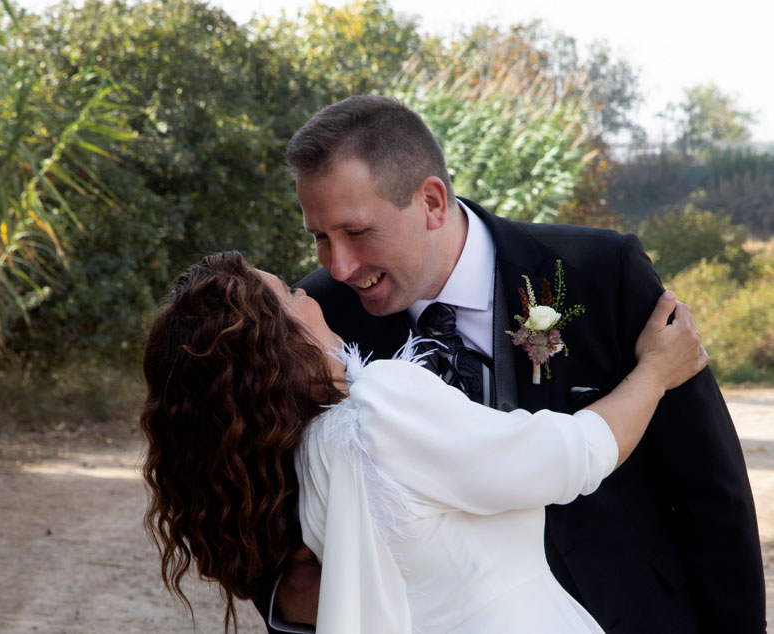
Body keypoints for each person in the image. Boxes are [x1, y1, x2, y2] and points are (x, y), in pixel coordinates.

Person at [262, 95, 763, 633]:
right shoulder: (317, 319)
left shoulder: (599, 271)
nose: (339, 266)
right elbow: (257, 496)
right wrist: (296, 598)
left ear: (431, 201)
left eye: (357, 232)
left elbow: (707, 483)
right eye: (320, 238)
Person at [141, 250, 708, 633]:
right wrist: (656, 373)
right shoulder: (379, 406)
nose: (311, 296)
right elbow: (572, 454)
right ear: (272, 342)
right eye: (290, 294)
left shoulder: (304, 454)